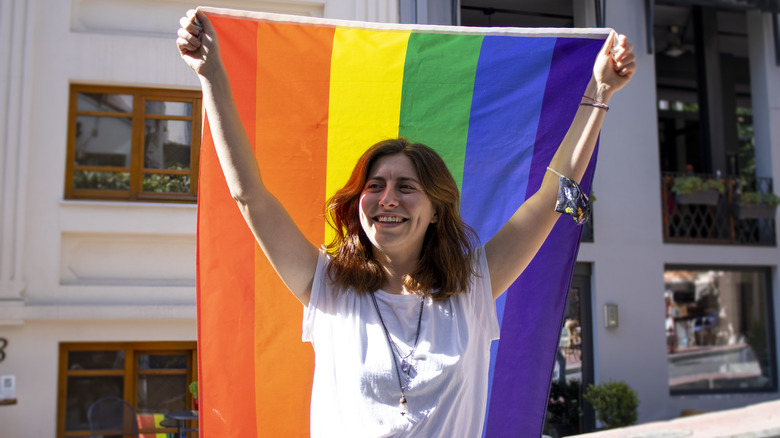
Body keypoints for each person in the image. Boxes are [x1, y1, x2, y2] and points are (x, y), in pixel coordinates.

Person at [177, 9, 636, 437]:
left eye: (406, 187)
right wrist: (211, 74)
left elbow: (555, 194)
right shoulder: (327, 285)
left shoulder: (474, 284)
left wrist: (600, 91)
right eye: (374, 186)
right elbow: (249, 196)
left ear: (435, 208)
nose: (387, 199)